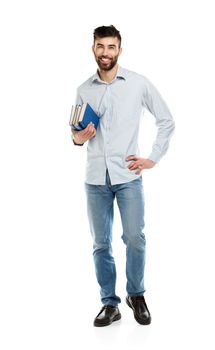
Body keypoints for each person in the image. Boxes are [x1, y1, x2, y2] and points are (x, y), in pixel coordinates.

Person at [71, 25, 175, 327]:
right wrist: (80, 137)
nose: (106, 53)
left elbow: (167, 121)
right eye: (101, 46)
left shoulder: (138, 83)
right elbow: (75, 135)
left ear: (120, 49)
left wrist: (152, 159)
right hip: (94, 179)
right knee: (100, 244)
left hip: (128, 176)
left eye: (111, 47)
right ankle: (109, 303)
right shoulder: (83, 89)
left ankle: (136, 294)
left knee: (135, 238)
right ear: (93, 48)